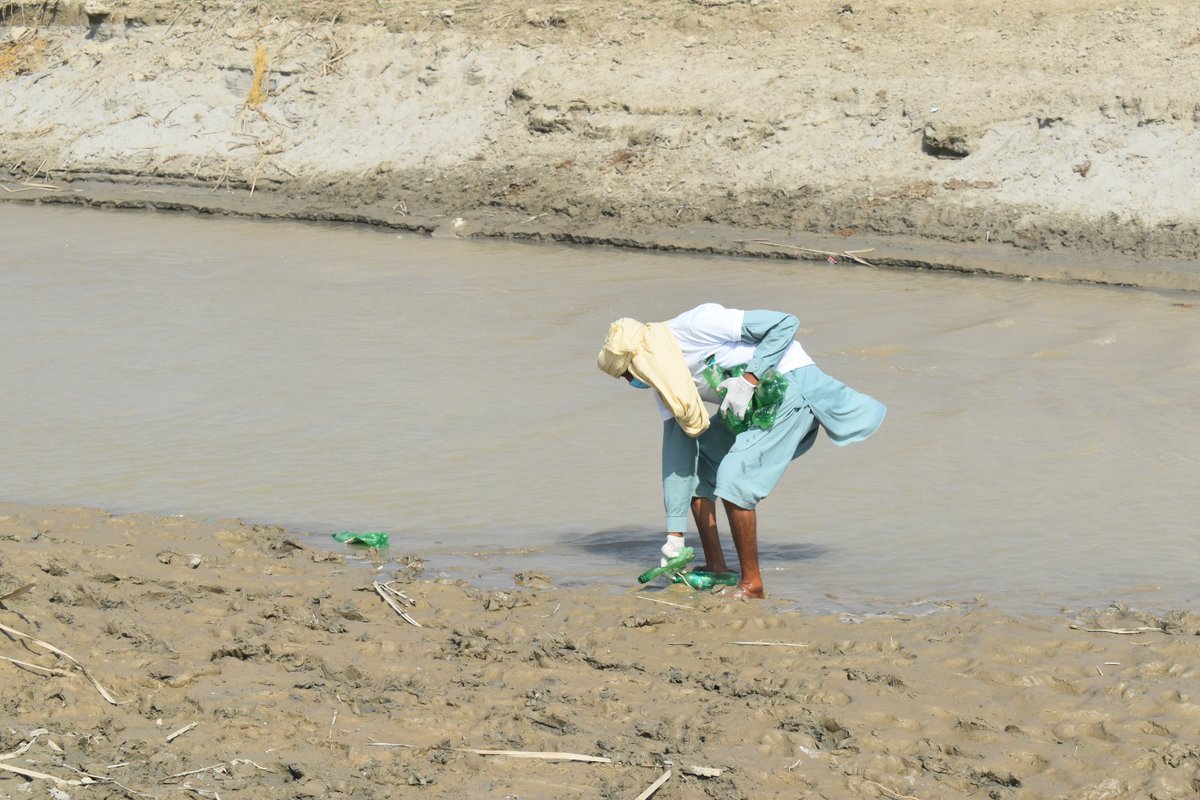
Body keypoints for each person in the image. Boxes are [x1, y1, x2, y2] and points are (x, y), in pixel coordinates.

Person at [597, 302, 886, 599]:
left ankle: (752, 584)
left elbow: (785, 323)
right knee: (701, 467)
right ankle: (717, 567)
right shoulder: (666, 384)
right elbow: (677, 455)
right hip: (748, 405)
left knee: (735, 479)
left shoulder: (696, 325)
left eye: (628, 373)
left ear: (642, 358)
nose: (633, 381)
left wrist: (750, 379)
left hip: (787, 383)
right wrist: (674, 536)